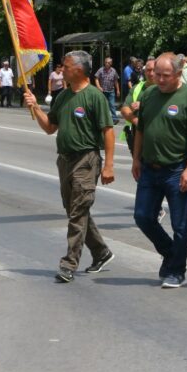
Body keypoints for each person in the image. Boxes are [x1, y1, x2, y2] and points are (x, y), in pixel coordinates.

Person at [24, 51, 116, 283]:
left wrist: (109, 166)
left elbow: (108, 131)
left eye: (65, 66)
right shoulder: (63, 97)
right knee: (76, 209)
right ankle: (102, 252)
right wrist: (35, 107)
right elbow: (49, 128)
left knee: (77, 211)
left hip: (86, 160)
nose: (61, 69)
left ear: (79, 69)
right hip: (65, 161)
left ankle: (69, 264)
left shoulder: (95, 97)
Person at [131, 52, 187, 289]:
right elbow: (141, 130)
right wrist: (136, 160)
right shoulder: (150, 94)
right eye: (157, 74)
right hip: (149, 169)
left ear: (178, 74)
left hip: (177, 170)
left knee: (181, 225)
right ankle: (171, 252)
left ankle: (176, 270)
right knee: (142, 216)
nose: (160, 79)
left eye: (165, 75)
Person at [120, 58, 155, 157]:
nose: (151, 73)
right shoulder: (137, 88)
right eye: (148, 70)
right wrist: (137, 122)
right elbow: (124, 109)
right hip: (138, 138)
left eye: (154, 70)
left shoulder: (165, 88)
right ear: (144, 71)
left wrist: (143, 104)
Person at [94, 57, 120, 123]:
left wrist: (118, 90)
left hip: (111, 91)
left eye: (108, 62)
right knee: (102, 105)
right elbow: (96, 78)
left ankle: (114, 119)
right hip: (103, 91)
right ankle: (102, 119)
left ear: (111, 63)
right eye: (106, 62)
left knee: (112, 105)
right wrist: (98, 87)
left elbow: (116, 81)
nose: (107, 64)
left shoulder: (113, 71)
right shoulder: (101, 70)